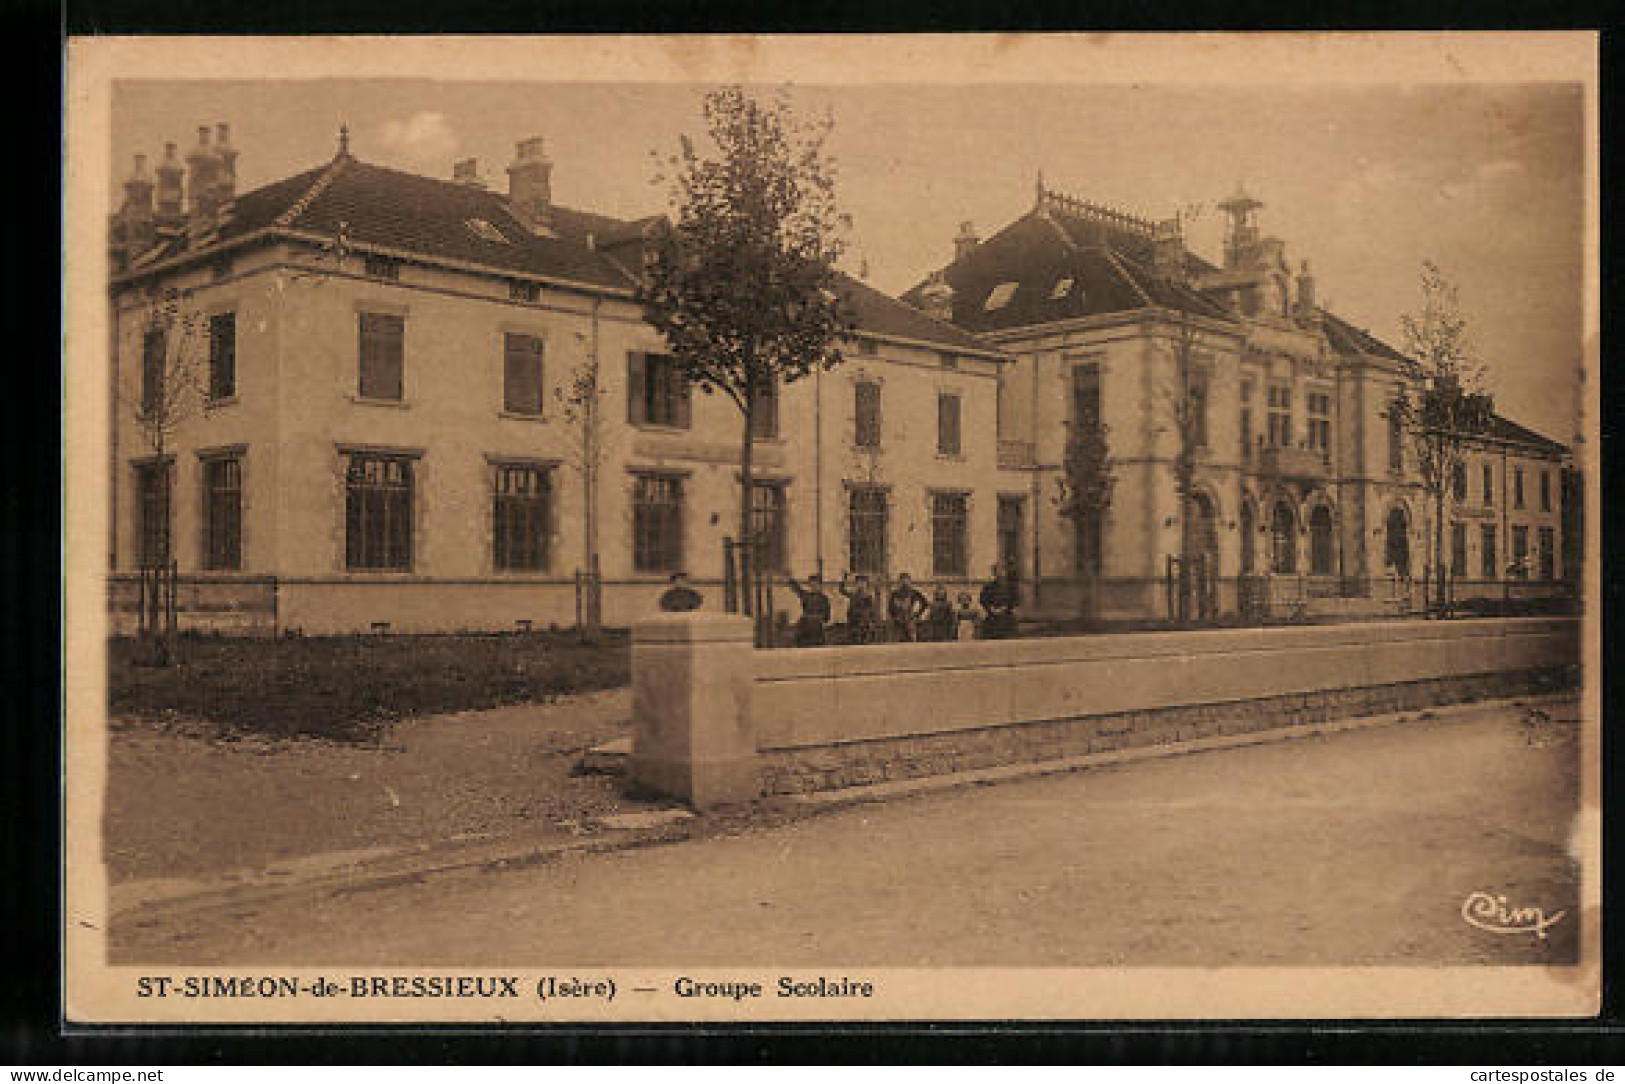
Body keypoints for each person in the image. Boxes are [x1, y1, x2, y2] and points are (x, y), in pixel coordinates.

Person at [785, 573, 833, 647]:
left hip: (817, 624)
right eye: (812, 585)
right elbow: (797, 589)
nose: (814, 587)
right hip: (806, 623)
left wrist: (823, 621)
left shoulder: (824, 598)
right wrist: (790, 579)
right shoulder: (806, 596)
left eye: (816, 585)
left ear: (820, 586)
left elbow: (827, 613)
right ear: (809, 586)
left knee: (817, 644)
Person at [979, 562, 1018, 639]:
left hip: (1006, 615)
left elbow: (1014, 599)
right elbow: (983, 599)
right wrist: (991, 609)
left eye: (1001, 571)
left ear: (1004, 572)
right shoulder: (988, 586)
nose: (1000, 573)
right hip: (993, 615)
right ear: (994, 573)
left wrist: (1006, 608)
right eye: (997, 571)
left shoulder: (1010, 587)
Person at [887, 573, 930, 642]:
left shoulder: (913, 592)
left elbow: (925, 603)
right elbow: (890, 607)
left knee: (911, 642)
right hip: (898, 623)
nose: (904, 583)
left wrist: (917, 615)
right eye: (902, 581)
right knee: (896, 643)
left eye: (906, 581)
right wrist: (894, 617)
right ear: (899, 582)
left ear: (909, 582)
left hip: (910, 622)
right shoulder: (895, 594)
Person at [839, 573, 878, 644]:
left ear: (866, 585)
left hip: (865, 624)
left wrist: (872, 621)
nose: (861, 585)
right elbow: (842, 590)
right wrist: (844, 579)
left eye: (863, 583)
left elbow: (871, 610)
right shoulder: (853, 595)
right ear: (856, 584)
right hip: (853, 622)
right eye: (859, 583)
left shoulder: (868, 597)